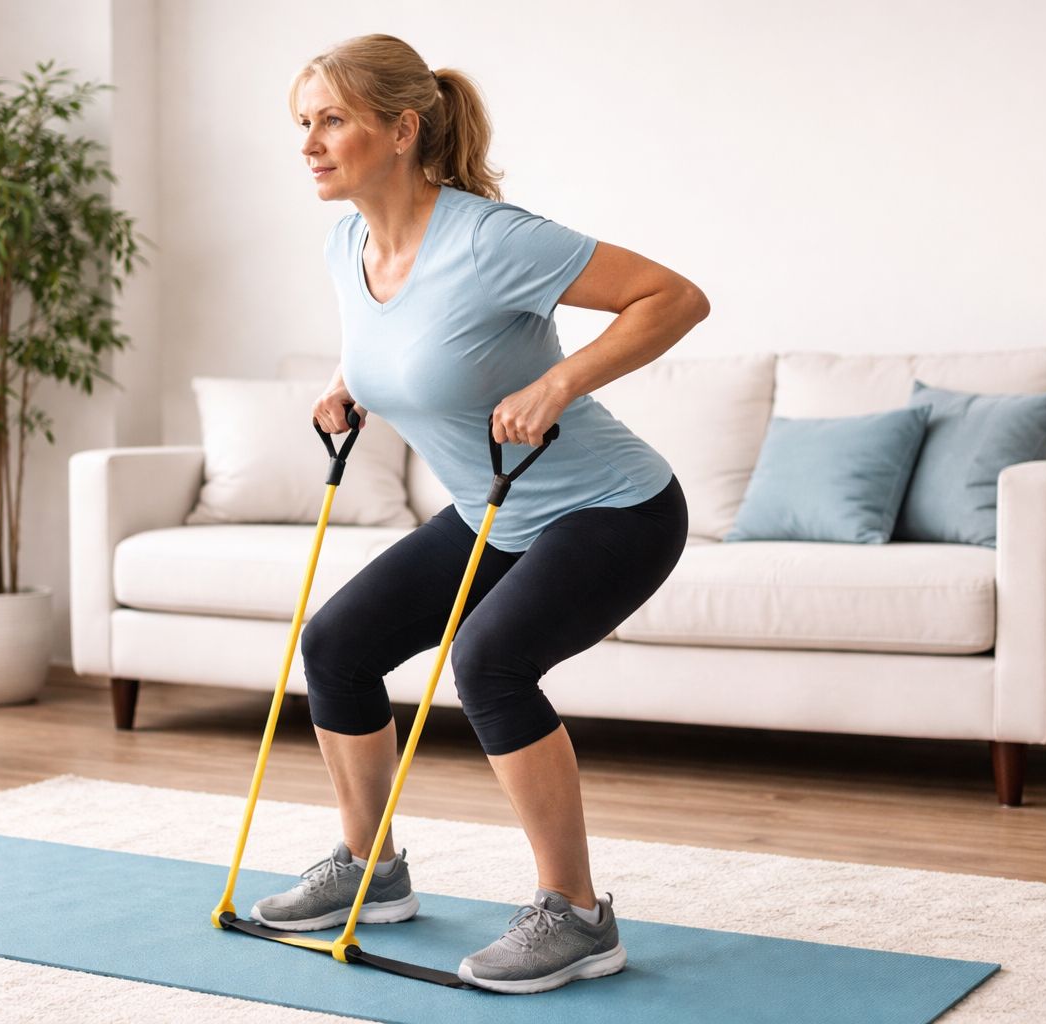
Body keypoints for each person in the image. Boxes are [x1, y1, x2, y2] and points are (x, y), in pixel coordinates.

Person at [250, 33, 709, 995]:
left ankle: (578, 916)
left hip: (612, 506)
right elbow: (405, 341)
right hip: (491, 511)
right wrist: (349, 384)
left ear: (403, 128)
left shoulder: (493, 238)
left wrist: (560, 382)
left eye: (332, 120)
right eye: (304, 122)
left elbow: (674, 297)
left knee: (490, 663)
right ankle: (369, 869)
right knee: (336, 645)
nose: (309, 144)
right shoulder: (348, 243)